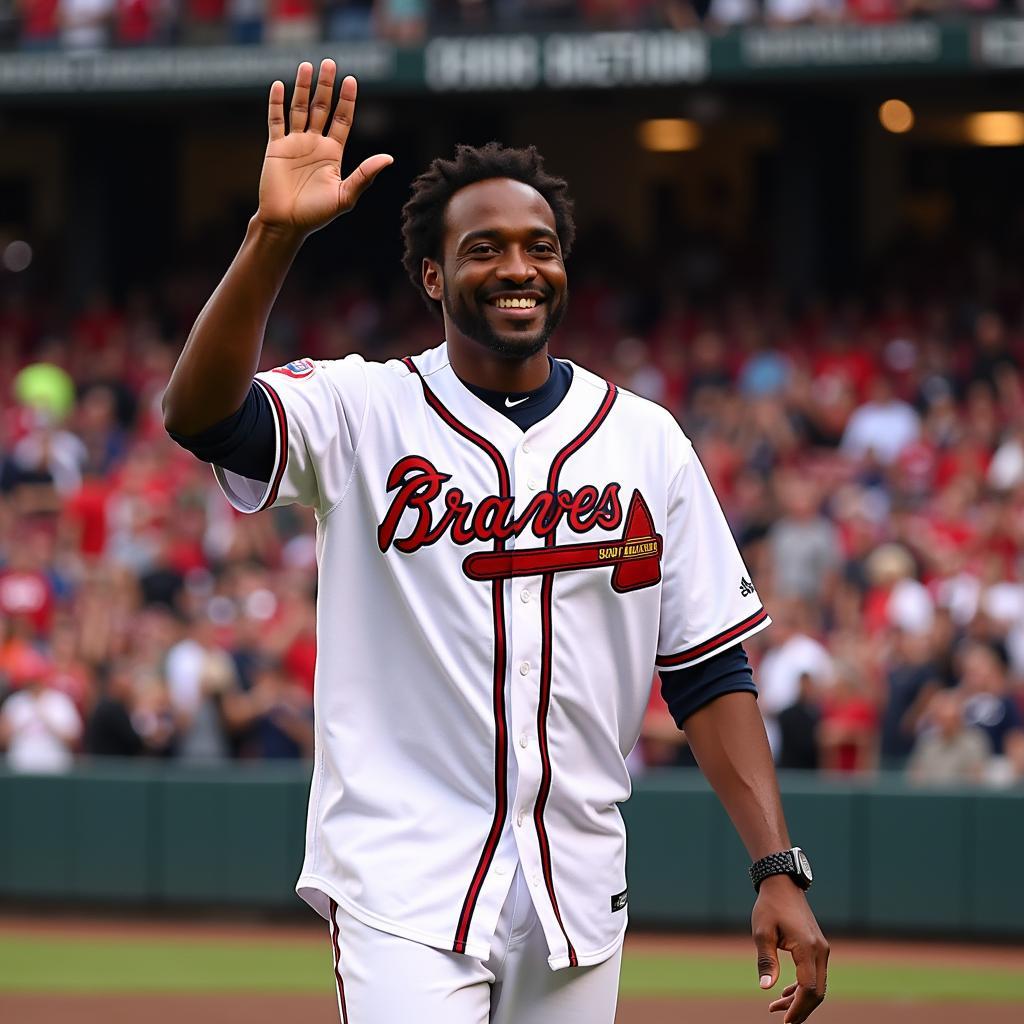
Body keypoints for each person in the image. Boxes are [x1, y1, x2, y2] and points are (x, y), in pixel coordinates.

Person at [163, 60, 828, 1024]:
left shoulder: (645, 441)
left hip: (577, 882)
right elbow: (201, 416)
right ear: (433, 275)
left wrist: (776, 864)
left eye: (540, 246)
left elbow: (707, 673)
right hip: (401, 878)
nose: (518, 266)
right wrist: (273, 237)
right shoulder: (363, 410)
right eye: (485, 249)